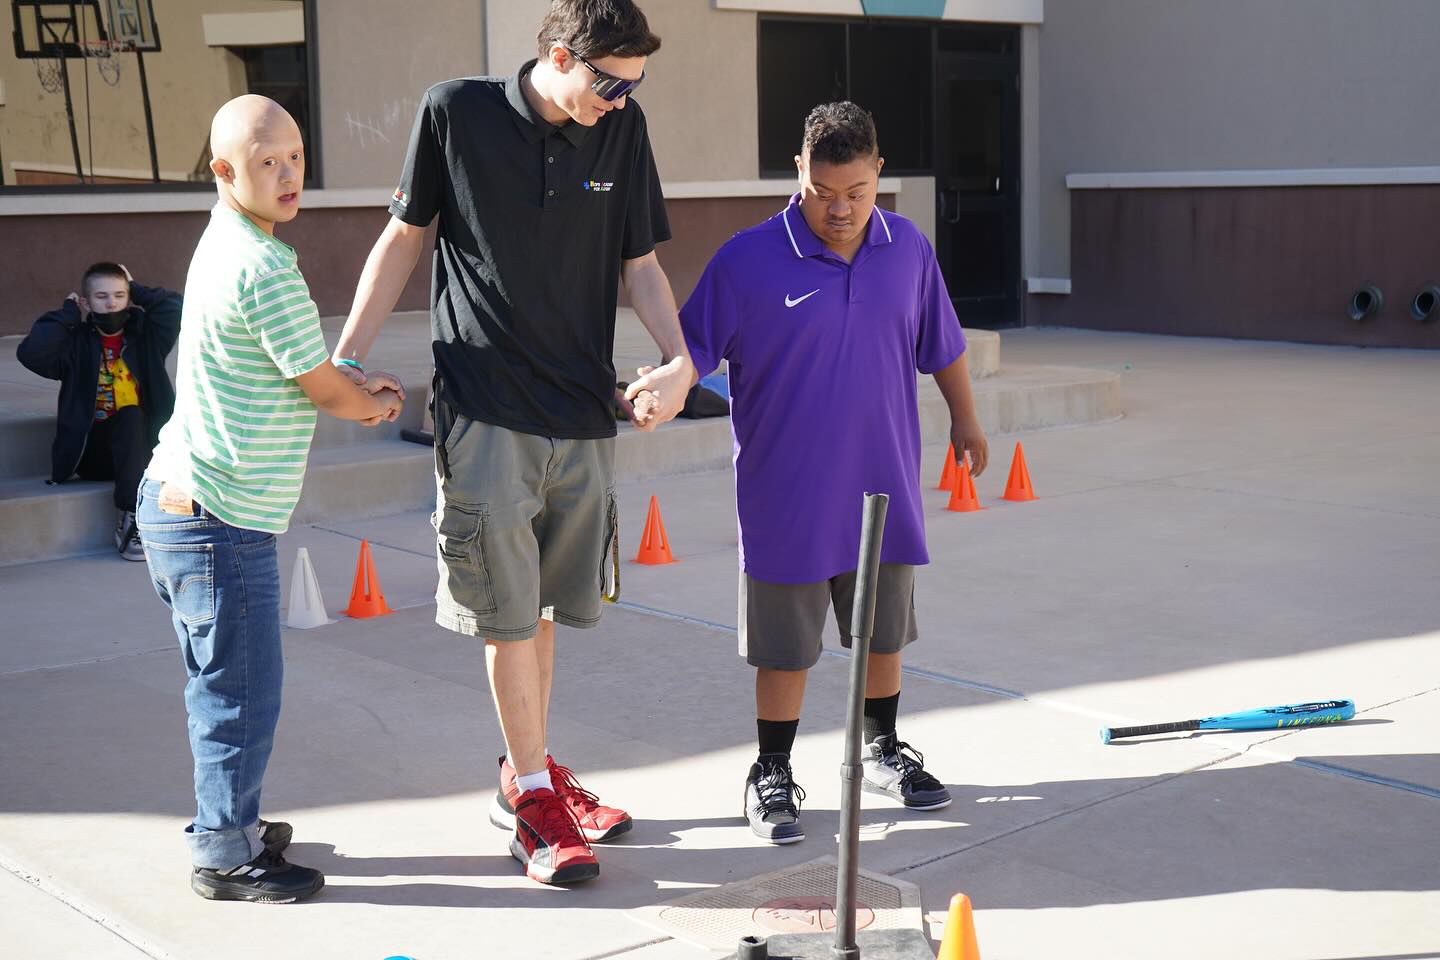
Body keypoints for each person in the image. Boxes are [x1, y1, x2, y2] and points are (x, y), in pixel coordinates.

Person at [334, 0, 693, 886]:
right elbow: (403, 237)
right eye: (610, 83)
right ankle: (533, 799)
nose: (621, 100)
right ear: (561, 56)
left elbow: (641, 264)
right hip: (487, 407)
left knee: (545, 610)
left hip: (581, 410)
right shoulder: (455, 112)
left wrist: (679, 360)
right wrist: (345, 360)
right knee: (506, 613)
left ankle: (527, 772)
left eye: (635, 86)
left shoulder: (622, 127)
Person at [679, 101, 989, 844]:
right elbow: (689, 350)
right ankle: (771, 770)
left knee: (882, 634)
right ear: (799, 172)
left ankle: (882, 749)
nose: (841, 210)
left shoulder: (907, 248)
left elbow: (942, 343)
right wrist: (661, 386)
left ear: (879, 172)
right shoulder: (747, 260)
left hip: (884, 486)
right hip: (787, 494)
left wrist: (967, 419)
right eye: (823, 193)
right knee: (785, 648)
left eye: (856, 192)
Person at [137, 95, 403, 903]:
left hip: (180, 504)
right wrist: (373, 403)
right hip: (220, 520)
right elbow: (321, 388)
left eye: (295, 157)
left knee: (218, 686)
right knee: (240, 695)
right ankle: (226, 855)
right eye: (266, 163)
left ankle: (232, 825)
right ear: (224, 170)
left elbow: (293, 368)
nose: (288, 175)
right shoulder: (264, 265)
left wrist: (343, 381)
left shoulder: (224, 238)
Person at [17, 262, 182, 560]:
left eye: (119, 295)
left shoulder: (147, 337)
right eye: (101, 296)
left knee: (131, 414)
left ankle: (132, 515)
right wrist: (67, 315)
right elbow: (32, 353)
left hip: (142, 449)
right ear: (86, 302)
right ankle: (130, 520)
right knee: (129, 416)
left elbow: (175, 308)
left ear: (128, 297)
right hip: (92, 454)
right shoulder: (76, 344)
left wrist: (137, 289)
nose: (111, 304)